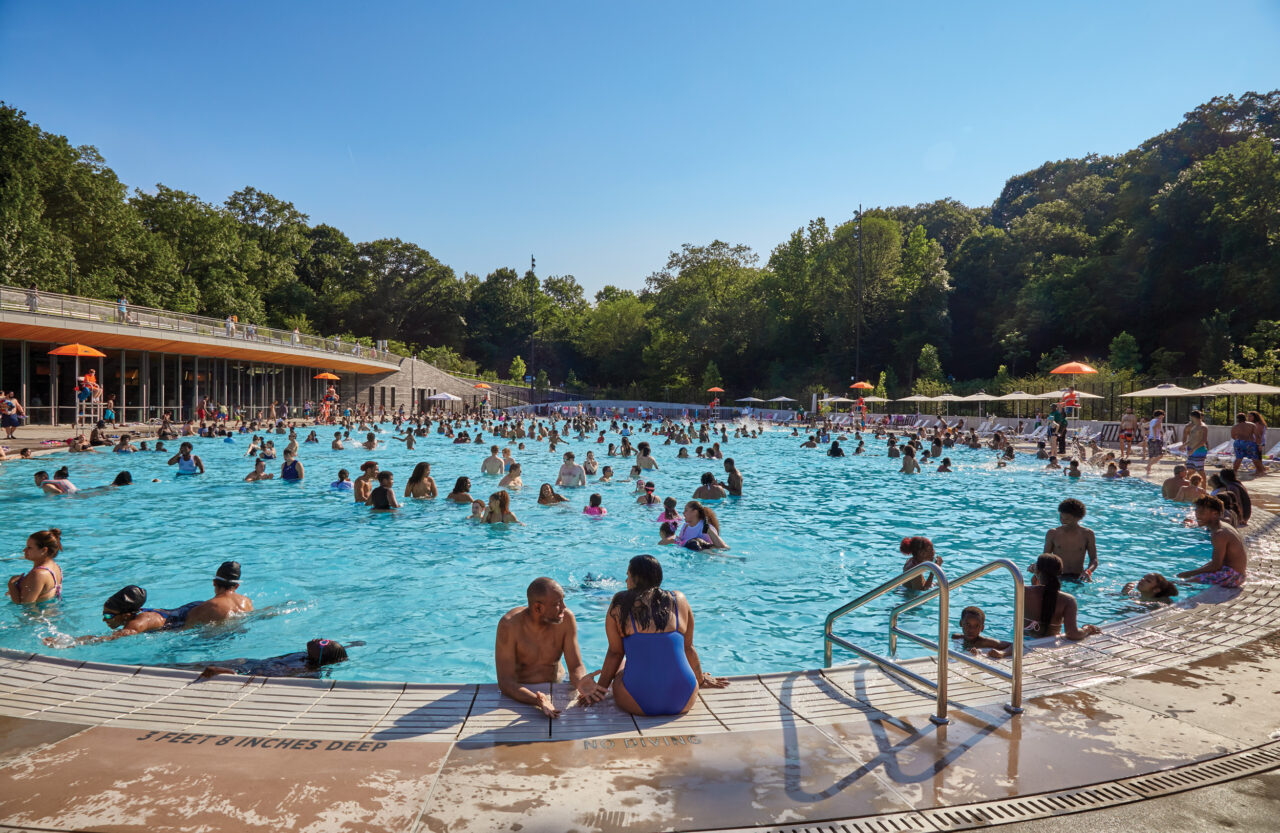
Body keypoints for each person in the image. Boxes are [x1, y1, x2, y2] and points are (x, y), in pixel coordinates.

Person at [596, 555, 728, 716]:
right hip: (684, 699)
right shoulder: (679, 599)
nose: (626, 581)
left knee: (621, 668)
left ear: (636, 578)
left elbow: (615, 653)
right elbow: (688, 647)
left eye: (628, 576)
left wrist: (599, 689)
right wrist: (700, 679)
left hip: (637, 701)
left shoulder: (620, 603)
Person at [58, 562, 253, 645]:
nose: (104, 619)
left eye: (109, 615)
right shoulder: (247, 602)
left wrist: (72, 642)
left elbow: (117, 636)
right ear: (236, 584)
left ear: (126, 615)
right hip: (189, 610)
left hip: (185, 617)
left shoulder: (139, 621)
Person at [494, 577, 605, 718]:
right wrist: (537, 700)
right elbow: (505, 682)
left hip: (557, 683)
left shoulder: (566, 619)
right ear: (538, 607)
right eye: (558, 603)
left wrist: (580, 682)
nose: (564, 607)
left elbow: (576, 665)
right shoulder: (509, 626)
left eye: (563, 600)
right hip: (522, 690)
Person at [1023, 554, 1101, 640]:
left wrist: (1036, 575)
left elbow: (1040, 593)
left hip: (1024, 641)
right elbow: (1073, 634)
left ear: (1037, 571)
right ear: (1060, 573)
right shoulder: (1068, 600)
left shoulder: (1023, 591)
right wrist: (1087, 629)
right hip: (1049, 644)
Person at [1177, 496, 1248, 587]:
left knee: (1183, 584)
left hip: (1234, 576)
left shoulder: (1219, 534)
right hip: (1237, 573)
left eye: (1202, 513)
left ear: (1215, 514)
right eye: (1196, 511)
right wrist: (1195, 571)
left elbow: (1216, 566)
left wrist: (1189, 573)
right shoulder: (1223, 526)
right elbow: (1217, 562)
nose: (1197, 515)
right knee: (1190, 578)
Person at [195, 639, 352, 679]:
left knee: (205, 670)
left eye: (324, 643)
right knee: (187, 665)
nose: (320, 639)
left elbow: (261, 679)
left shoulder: (308, 671)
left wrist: (227, 672)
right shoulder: (306, 656)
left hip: (246, 671)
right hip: (249, 663)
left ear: (322, 657)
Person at [1044, 498, 1098, 580]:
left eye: (1067, 519)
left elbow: (1094, 560)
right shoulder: (1052, 533)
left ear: (1078, 518)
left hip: (1079, 576)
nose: (1063, 521)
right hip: (1058, 576)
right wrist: (1036, 567)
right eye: (1061, 517)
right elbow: (1044, 558)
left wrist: (1088, 571)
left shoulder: (1088, 534)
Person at [7, 528, 63, 604]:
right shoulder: (55, 567)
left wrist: (11, 585)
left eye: (29, 548)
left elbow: (25, 605)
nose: (24, 550)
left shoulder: (39, 574)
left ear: (44, 550)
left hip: (37, 614)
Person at [660, 501, 728, 550]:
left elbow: (722, 547)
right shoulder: (685, 526)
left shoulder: (705, 527)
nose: (683, 513)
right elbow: (682, 541)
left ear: (695, 512)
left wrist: (709, 531)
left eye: (686, 510)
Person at [1183, 410, 1209, 475]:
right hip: (1191, 449)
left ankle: (1204, 485)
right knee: (1190, 469)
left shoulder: (1203, 427)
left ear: (1193, 417)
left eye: (1191, 417)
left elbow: (1203, 440)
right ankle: (1188, 483)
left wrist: (1193, 449)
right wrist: (1183, 445)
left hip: (1198, 450)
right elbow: (1191, 439)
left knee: (1200, 471)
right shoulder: (1193, 426)